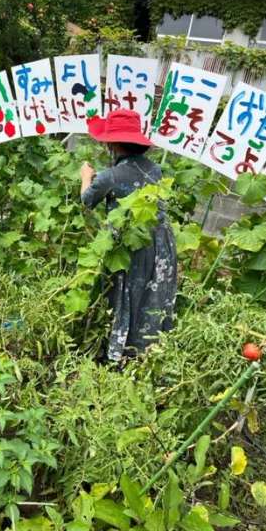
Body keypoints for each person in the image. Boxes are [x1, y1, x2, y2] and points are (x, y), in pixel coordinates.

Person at [80, 109, 177, 362]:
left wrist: (86, 177)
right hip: (160, 242)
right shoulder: (155, 169)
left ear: (113, 143)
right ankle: (144, 352)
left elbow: (87, 200)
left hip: (129, 243)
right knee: (151, 294)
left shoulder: (109, 176)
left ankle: (115, 352)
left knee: (122, 293)